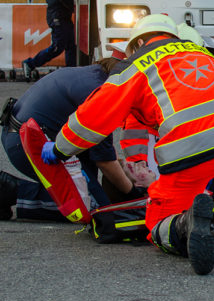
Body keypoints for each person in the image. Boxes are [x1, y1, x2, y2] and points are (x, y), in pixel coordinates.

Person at [40, 14, 214, 275]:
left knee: (157, 223)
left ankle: (182, 226)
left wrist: (60, 148)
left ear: (140, 41)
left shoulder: (134, 66)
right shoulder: (205, 52)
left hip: (185, 155)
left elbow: (93, 119)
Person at [0, 53, 142, 221]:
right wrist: (134, 197)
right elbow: (104, 161)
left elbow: (102, 147)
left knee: (96, 196)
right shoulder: (99, 91)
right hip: (31, 145)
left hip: (26, 137)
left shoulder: (92, 76)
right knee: (95, 210)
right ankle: (12, 190)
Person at [22, 0, 77, 81]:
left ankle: (71, 71)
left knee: (70, 45)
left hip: (62, 17)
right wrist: (73, 7)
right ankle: (30, 63)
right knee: (57, 47)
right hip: (58, 17)